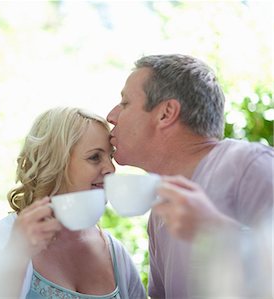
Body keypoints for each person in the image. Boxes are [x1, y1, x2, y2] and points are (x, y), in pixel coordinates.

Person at [106, 54, 273, 298]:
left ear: (166, 113)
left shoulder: (249, 165)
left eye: (125, 103)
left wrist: (215, 230)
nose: (111, 116)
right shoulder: (161, 212)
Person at [0, 107, 146, 298]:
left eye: (110, 156)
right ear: (55, 163)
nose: (111, 168)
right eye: (94, 157)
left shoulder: (114, 253)